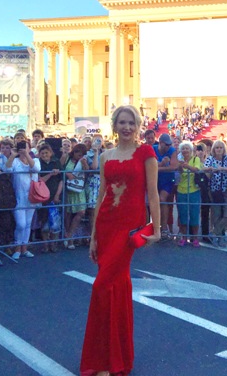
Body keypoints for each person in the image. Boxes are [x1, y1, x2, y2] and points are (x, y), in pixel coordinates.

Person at [80, 105, 160, 376]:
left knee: (102, 287)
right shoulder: (105, 156)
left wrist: (156, 228)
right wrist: (93, 236)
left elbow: (153, 194)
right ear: (114, 125)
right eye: (122, 122)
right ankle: (112, 359)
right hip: (106, 226)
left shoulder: (146, 153)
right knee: (115, 288)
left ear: (137, 126)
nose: (127, 127)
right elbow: (101, 195)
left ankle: (106, 360)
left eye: (131, 123)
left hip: (128, 230)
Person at [4, 140, 41, 260]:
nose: (23, 149)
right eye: (21, 147)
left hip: (31, 198)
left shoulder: (35, 160)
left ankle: (24, 248)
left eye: (25, 147)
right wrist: (13, 155)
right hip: (18, 198)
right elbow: (7, 170)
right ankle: (17, 247)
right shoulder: (15, 161)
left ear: (29, 148)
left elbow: (36, 169)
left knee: (28, 224)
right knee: (21, 224)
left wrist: (26, 155)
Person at [204, 140, 227, 247]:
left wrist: (221, 168)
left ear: (224, 149)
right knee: (216, 214)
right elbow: (204, 168)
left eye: (221, 147)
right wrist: (211, 169)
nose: (219, 149)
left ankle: (214, 232)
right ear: (214, 149)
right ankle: (219, 238)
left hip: (226, 190)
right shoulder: (210, 158)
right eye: (217, 147)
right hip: (214, 190)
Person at [175, 141, 203, 247]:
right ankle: (184, 237)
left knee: (194, 215)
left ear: (191, 150)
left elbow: (197, 169)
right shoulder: (179, 161)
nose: (185, 150)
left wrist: (187, 166)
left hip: (194, 190)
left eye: (187, 148)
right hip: (181, 190)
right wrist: (180, 166)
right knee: (182, 215)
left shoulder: (196, 159)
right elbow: (179, 173)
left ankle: (195, 238)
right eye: (183, 148)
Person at [37, 143, 63, 252]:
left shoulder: (56, 162)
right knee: (44, 222)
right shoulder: (38, 163)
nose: (44, 155)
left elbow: (61, 180)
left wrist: (57, 195)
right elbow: (40, 180)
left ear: (51, 153)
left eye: (46, 153)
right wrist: (50, 174)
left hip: (54, 196)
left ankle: (54, 244)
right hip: (42, 197)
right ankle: (45, 245)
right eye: (42, 153)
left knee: (55, 222)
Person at [64, 144, 89, 249]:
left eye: (81, 153)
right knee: (68, 213)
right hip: (69, 189)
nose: (79, 154)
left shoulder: (84, 160)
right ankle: (68, 238)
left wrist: (84, 163)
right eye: (77, 152)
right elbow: (60, 167)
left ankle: (70, 235)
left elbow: (87, 171)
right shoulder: (67, 159)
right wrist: (67, 173)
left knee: (81, 212)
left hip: (79, 190)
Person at [153, 133, 177, 239]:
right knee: (153, 202)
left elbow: (173, 167)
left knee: (162, 199)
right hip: (155, 180)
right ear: (161, 143)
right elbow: (148, 164)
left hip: (167, 180)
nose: (168, 146)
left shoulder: (172, 151)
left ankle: (164, 228)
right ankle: (156, 227)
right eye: (167, 144)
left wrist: (157, 168)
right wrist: (161, 165)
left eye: (169, 144)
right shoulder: (153, 149)